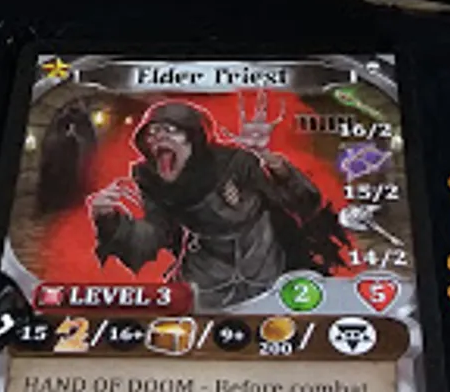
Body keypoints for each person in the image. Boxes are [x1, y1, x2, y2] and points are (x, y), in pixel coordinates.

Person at [89, 96, 345, 308]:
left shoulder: (235, 162)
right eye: (152, 133)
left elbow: (297, 200)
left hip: (262, 257)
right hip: (207, 269)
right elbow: (154, 233)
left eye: (170, 130)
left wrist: (273, 168)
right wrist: (108, 218)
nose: (158, 138)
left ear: (193, 137)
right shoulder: (151, 179)